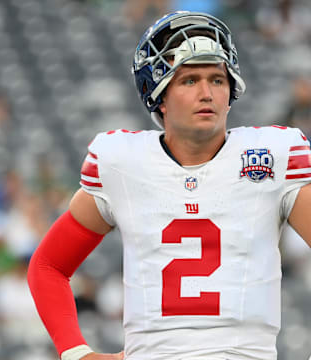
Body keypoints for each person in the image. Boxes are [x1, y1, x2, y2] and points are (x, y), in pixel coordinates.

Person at [27, 11, 311, 360]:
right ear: (159, 94)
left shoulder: (272, 154)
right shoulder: (122, 162)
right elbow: (48, 266)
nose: (206, 93)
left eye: (217, 80)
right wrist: (75, 352)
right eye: (189, 80)